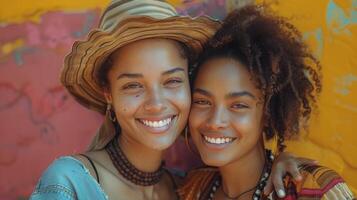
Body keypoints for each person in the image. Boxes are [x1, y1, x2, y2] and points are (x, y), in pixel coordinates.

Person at [30, 1, 315, 200]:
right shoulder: (69, 184)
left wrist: (279, 164)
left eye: (172, 81)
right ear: (108, 93)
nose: (156, 103)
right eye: (133, 85)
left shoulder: (188, 189)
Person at [179, 5, 354, 200]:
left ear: (268, 114)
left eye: (238, 105)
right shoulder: (193, 189)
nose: (215, 121)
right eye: (203, 101)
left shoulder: (311, 189)